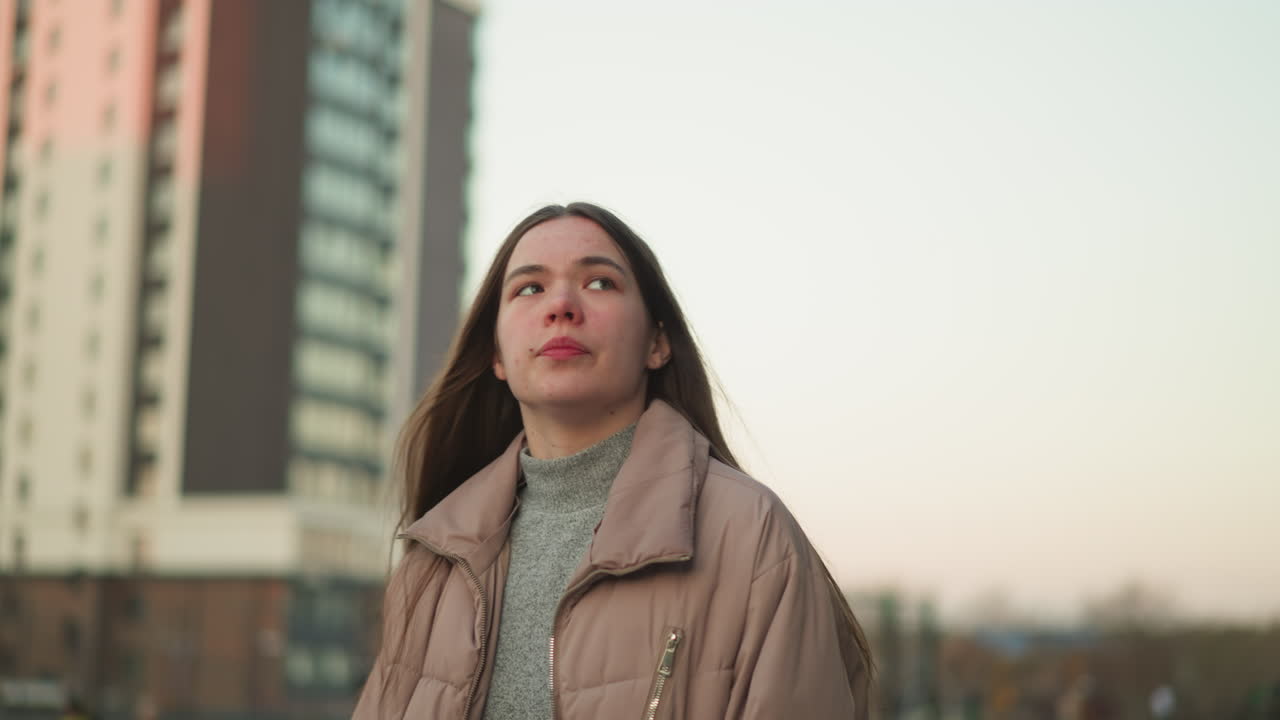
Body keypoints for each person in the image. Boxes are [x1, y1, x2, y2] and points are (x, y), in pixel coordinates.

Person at [354, 202, 873, 719]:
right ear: (495, 355)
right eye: (529, 288)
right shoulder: (433, 563)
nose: (560, 305)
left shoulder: (752, 536)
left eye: (599, 282)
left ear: (657, 342)